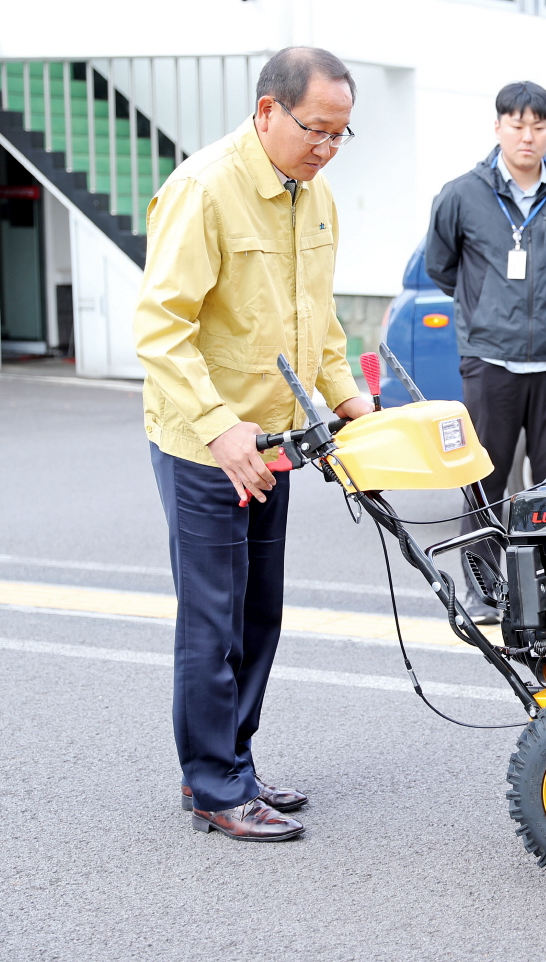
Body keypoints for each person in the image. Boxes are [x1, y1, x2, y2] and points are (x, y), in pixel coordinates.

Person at [134, 46, 374, 841]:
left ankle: (230, 760)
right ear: (268, 111)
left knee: (258, 611)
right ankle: (212, 786)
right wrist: (218, 424)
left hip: (274, 441)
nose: (328, 148)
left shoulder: (318, 196)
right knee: (212, 618)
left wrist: (346, 395)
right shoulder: (205, 188)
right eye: (317, 131)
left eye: (342, 135)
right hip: (207, 444)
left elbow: (320, 316)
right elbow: (160, 329)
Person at [425, 81, 546, 623]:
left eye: (540, 126)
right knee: (486, 480)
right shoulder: (461, 194)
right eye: (517, 124)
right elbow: (441, 265)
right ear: (498, 126)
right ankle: (483, 589)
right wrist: (488, 308)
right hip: (491, 360)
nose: (528, 136)